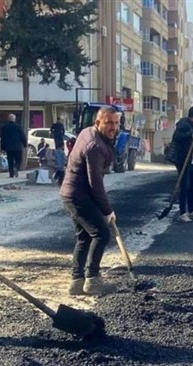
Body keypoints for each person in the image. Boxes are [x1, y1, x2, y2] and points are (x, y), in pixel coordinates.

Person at [60, 106, 120, 296]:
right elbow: (96, 184)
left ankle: (76, 283)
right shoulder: (95, 147)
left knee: (84, 237)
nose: (113, 127)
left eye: (116, 123)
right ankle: (92, 280)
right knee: (101, 233)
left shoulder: (87, 132)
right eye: (109, 122)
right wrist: (107, 210)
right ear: (98, 122)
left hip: (71, 193)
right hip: (79, 196)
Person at [171, 106, 193, 223]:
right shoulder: (184, 124)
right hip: (182, 160)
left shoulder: (192, 125)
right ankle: (182, 212)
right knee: (185, 186)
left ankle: (192, 210)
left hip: (189, 160)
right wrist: (190, 135)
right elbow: (177, 137)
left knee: (191, 186)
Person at [0, 114, 27, 178]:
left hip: (8, 147)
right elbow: (22, 136)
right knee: (19, 159)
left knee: (10, 160)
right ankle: (16, 167)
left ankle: (11, 174)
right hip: (17, 146)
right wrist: (25, 144)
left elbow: (2, 137)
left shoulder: (4, 127)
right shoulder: (18, 126)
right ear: (14, 119)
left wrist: (2, 147)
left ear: (8, 119)